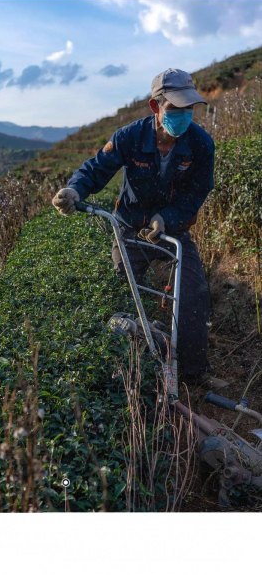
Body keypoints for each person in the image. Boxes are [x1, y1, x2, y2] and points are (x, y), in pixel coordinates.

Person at [52, 68, 219, 385]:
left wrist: (167, 218)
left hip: (173, 232)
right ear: (156, 107)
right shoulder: (130, 137)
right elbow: (97, 169)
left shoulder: (200, 145)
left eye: (188, 109)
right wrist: (76, 190)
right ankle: (133, 367)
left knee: (194, 293)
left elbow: (198, 191)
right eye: (175, 109)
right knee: (123, 292)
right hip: (129, 228)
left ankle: (192, 374)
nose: (183, 116)